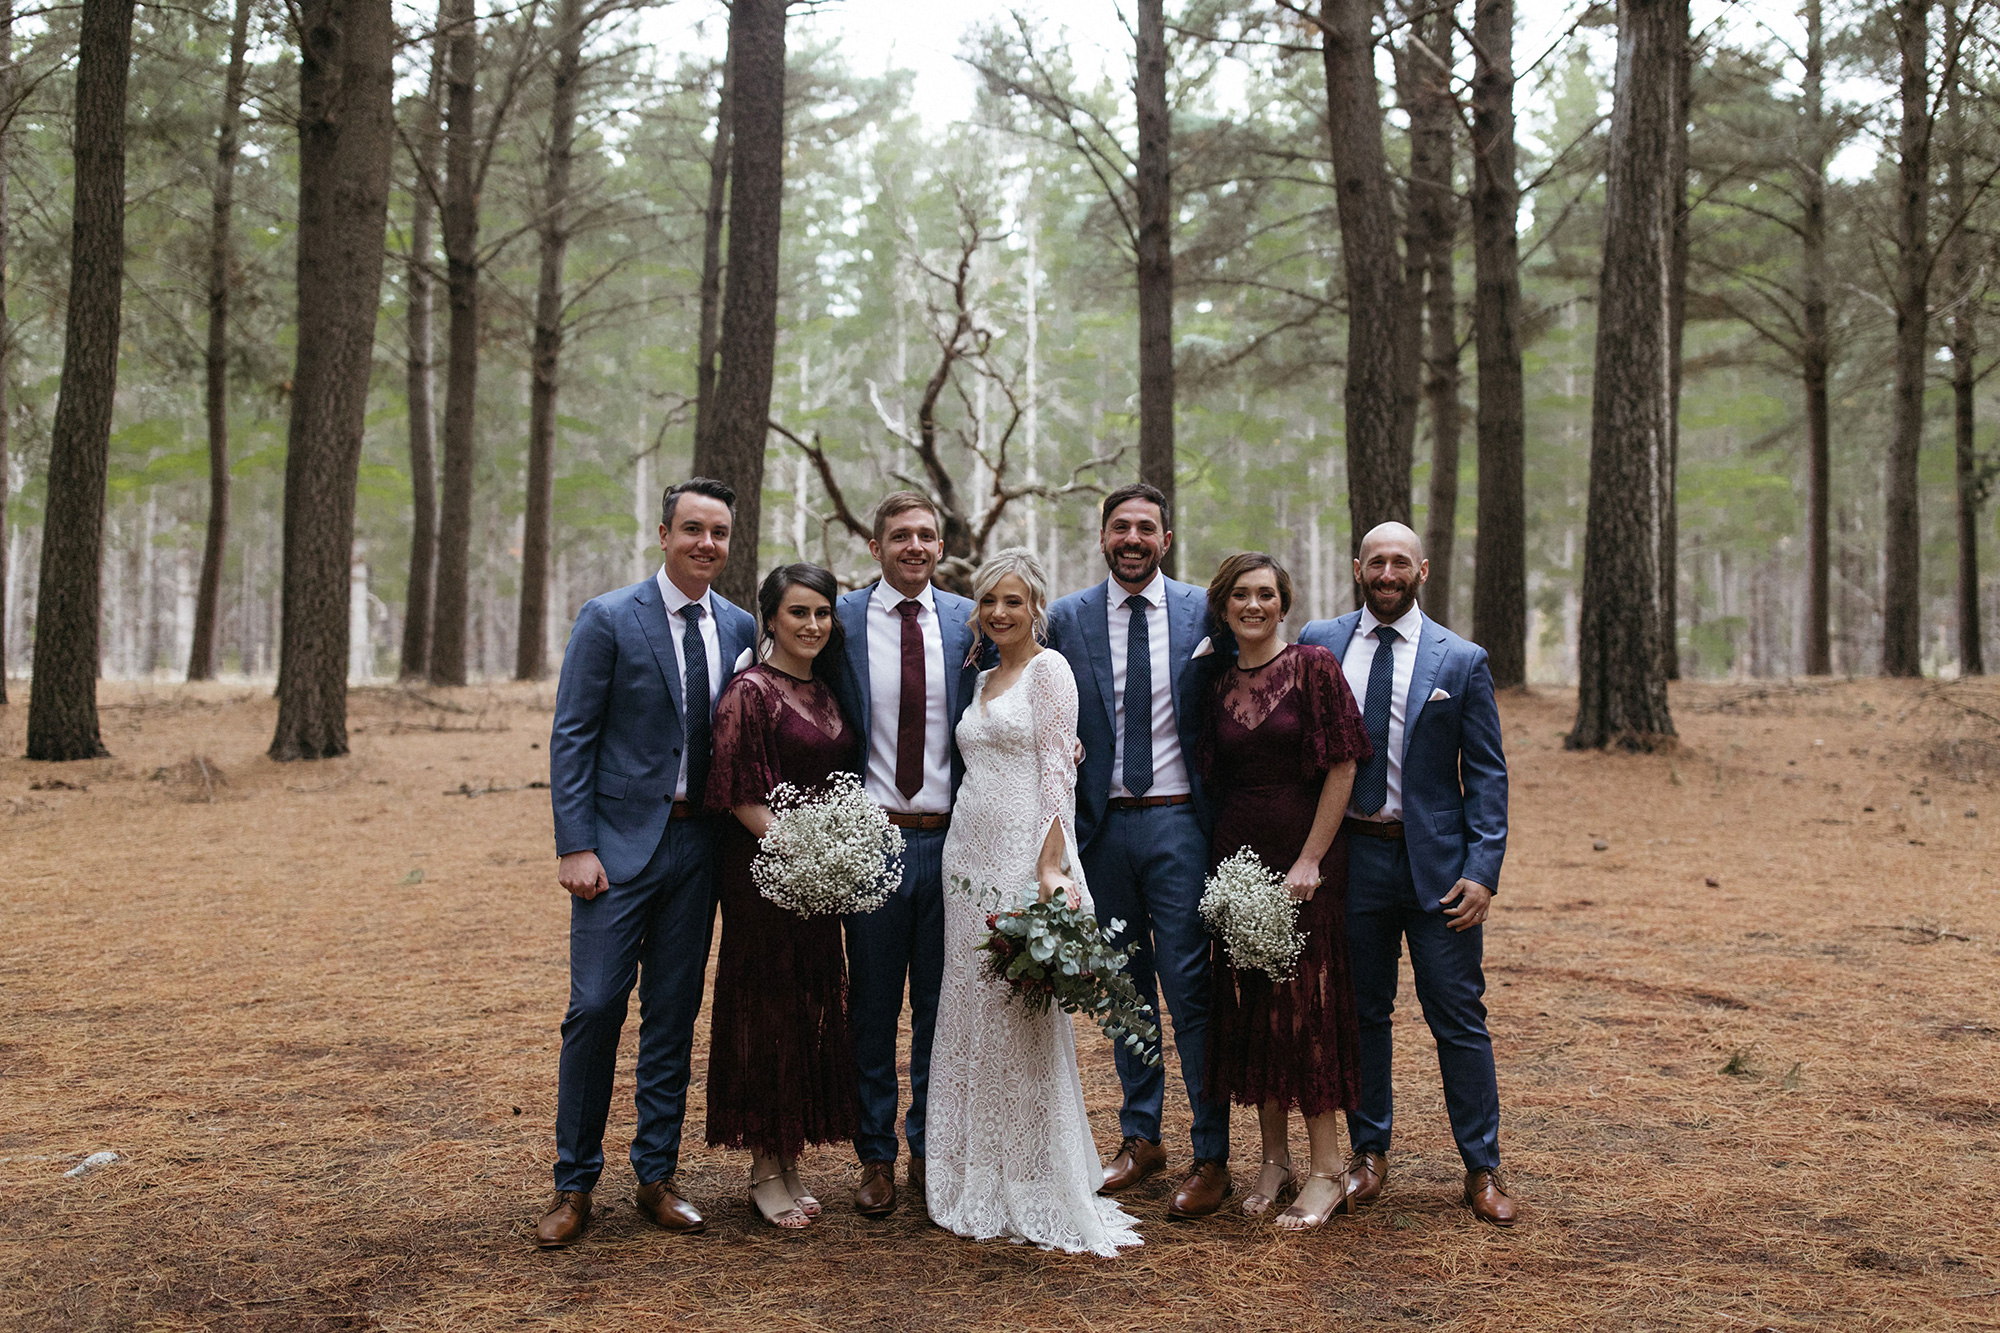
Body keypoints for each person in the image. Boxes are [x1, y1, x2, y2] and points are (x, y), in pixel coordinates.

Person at [539, 477, 760, 1248]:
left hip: (700, 846)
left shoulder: (739, 626)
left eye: (720, 532)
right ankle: (574, 1184)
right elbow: (572, 735)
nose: (707, 543)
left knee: (673, 1014)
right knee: (596, 1006)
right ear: (663, 534)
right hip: (617, 847)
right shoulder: (608, 617)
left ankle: (656, 1175)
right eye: (693, 528)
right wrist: (575, 843)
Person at [1297, 521, 1516, 1226]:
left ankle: (1481, 1166)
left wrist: (1483, 869)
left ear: (1422, 570)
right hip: (1352, 862)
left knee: (1458, 1016)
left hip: (1440, 870)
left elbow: (1486, 774)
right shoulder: (1320, 641)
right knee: (1360, 1014)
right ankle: (1370, 1153)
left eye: (1401, 561)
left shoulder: (1462, 659)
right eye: (1376, 561)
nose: (1387, 572)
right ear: (1357, 567)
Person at [925, 548, 1143, 1256]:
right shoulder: (984, 676)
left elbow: (1057, 767)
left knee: (1018, 1011)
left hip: (1022, 850)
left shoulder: (1050, 670)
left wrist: (1051, 865)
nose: (998, 613)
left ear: (1035, 607)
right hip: (966, 852)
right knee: (968, 1006)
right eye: (988, 601)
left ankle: (1033, 1171)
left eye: (1012, 601)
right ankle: (970, 1169)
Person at [1045, 483, 1231, 1219]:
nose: (1132, 537)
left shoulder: (1203, 613)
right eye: (1120, 526)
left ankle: (1211, 1149)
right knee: (1121, 988)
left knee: (1190, 987)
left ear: (1167, 537)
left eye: (1145, 527)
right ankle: (1140, 1133)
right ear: (1101, 537)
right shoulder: (1068, 617)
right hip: (1102, 826)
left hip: (1180, 822)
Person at [1196, 553, 1370, 1231]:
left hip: (1304, 869)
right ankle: (1274, 1158)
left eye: (1266, 593)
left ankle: (1328, 1168)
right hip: (1237, 865)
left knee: (1306, 1014)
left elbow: (1344, 762)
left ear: (1284, 601)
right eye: (1241, 593)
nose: (1254, 604)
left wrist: (1311, 857)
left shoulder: (1314, 666)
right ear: (1224, 603)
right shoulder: (1216, 683)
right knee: (1253, 1010)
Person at [828, 493, 980, 1217]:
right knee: (873, 1005)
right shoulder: (842, 619)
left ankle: (930, 1147)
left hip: (955, 840)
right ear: (874, 543)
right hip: (875, 840)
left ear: (940, 544)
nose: (913, 546)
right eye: (899, 535)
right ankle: (875, 1154)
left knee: (938, 1006)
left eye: (925, 535)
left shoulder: (968, 621)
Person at [704, 564, 862, 1229]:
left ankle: (789, 1159)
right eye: (798, 612)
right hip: (765, 878)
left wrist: (835, 857)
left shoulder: (825, 690)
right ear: (768, 617)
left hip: (818, 885)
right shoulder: (750, 692)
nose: (813, 624)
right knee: (768, 1011)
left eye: (823, 612)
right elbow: (740, 792)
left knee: (807, 1010)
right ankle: (763, 1169)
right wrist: (801, 851)